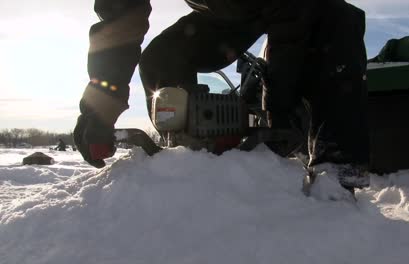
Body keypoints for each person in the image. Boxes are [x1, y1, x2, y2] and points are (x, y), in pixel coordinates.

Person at [74, 0, 369, 188]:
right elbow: (120, 19)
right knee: (162, 57)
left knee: (336, 21)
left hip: (301, 8)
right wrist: (99, 109)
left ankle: (337, 176)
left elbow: (293, 23)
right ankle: (187, 157)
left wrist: (277, 110)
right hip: (226, 13)